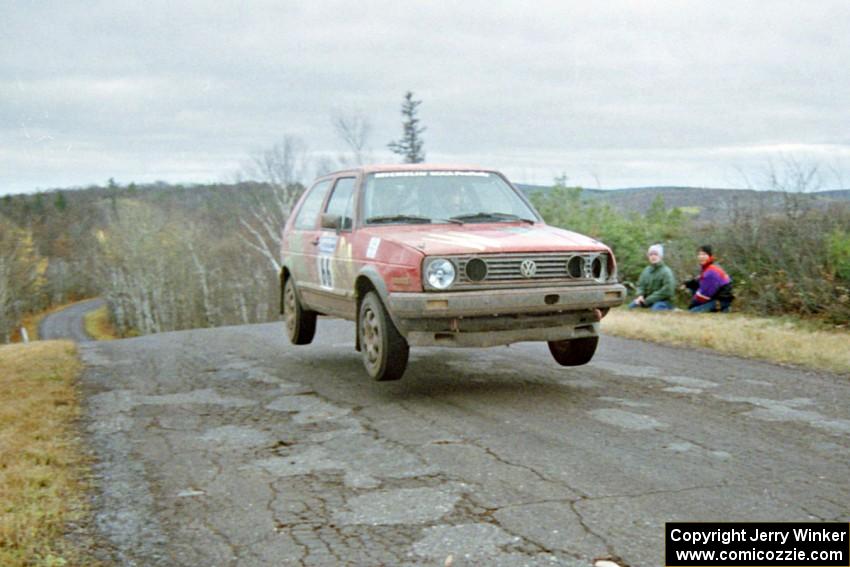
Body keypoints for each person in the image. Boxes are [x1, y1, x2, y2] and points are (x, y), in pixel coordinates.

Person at [685, 245, 734, 313]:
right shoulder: (708, 268)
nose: (701, 257)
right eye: (699, 254)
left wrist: (692, 306)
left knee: (693, 312)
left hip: (720, 300)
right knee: (692, 285)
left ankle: (723, 309)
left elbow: (703, 296)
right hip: (716, 298)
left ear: (710, 256)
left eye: (704, 254)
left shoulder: (711, 272)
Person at [629, 244, 676, 310]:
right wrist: (640, 296)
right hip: (647, 300)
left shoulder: (666, 271)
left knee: (655, 309)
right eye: (651, 254)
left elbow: (668, 291)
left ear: (661, 256)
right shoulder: (646, 270)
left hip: (663, 301)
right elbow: (640, 285)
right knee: (631, 307)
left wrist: (649, 300)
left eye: (656, 254)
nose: (653, 257)